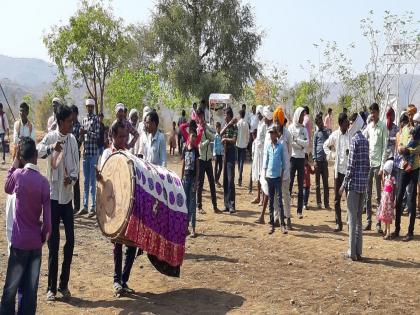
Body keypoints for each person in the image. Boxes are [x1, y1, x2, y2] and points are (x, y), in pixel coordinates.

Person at [1, 137, 51, 315]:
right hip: (35, 245)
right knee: (30, 291)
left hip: (19, 243)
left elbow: (7, 187)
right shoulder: (44, 183)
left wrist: (15, 162)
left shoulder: (17, 176)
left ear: (21, 158)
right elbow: (48, 225)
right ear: (37, 155)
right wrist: (41, 238)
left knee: (11, 288)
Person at [38, 104, 79, 301]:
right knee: (53, 242)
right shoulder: (52, 137)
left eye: (72, 120)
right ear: (61, 122)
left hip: (67, 198)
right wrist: (49, 148)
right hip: (53, 198)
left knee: (70, 240)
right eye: (69, 121)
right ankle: (51, 288)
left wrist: (70, 179)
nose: (72, 123)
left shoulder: (72, 140)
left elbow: (76, 170)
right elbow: (37, 150)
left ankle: (64, 284)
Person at [96, 121, 137, 297]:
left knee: (132, 244)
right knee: (117, 244)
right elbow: (102, 180)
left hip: (128, 205)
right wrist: (100, 177)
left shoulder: (129, 155)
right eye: (120, 136)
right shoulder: (106, 154)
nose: (123, 140)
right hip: (114, 206)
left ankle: (124, 279)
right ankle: (116, 281)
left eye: (125, 136)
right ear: (112, 136)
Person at [339, 113, 369, 261]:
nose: (349, 125)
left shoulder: (354, 141)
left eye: (351, 123)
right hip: (363, 186)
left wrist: (343, 185)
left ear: (355, 124)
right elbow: (367, 165)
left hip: (353, 186)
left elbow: (350, 167)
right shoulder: (365, 141)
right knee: (358, 220)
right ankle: (358, 251)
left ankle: (352, 253)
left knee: (352, 220)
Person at [393, 104, 419, 241]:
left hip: (414, 168)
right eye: (409, 114)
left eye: (412, 114)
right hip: (403, 167)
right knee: (398, 198)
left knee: (411, 200)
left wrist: (408, 151)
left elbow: (418, 148)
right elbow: (399, 146)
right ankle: (397, 229)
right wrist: (402, 151)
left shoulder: (418, 129)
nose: (410, 116)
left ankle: (410, 232)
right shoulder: (403, 130)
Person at [362, 103, 389, 233]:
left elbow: (385, 148)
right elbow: (362, 137)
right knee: (367, 195)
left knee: (378, 196)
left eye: (374, 112)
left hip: (378, 165)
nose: (372, 115)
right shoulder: (369, 127)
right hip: (369, 164)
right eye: (371, 112)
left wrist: (382, 167)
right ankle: (368, 221)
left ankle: (378, 223)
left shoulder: (383, 127)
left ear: (378, 112)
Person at [323, 113, 350, 232]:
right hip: (338, 172)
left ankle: (349, 223)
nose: (348, 124)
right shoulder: (334, 135)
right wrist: (332, 155)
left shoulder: (350, 135)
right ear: (340, 124)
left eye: (348, 122)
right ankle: (339, 223)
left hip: (348, 172)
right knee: (336, 199)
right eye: (345, 123)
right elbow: (325, 145)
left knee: (350, 199)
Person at [77, 99, 100, 218]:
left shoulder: (96, 119)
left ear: (93, 107)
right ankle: (85, 206)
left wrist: (87, 132)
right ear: (86, 107)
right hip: (85, 153)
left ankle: (93, 208)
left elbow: (97, 136)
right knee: (85, 181)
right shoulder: (84, 120)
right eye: (88, 106)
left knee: (92, 181)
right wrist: (81, 135)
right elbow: (81, 140)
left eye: (91, 106)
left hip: (93, 153)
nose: (90, 108)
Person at [195, 108, 220, 214]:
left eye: (202, 117)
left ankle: (215, 206)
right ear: (197, 118)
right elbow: (200, 146)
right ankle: (199, 206)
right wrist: (207, 141)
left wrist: (208, 130)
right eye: (199, 117)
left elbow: (214, 138)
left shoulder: (206, 128)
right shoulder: (196, 130)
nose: (201, 119)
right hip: (200, 159)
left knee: (212, 183)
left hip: (208, 159)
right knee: (200, 184)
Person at [263, 126, 286, 234]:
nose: (272, 135)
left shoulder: (280, 147)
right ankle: (271, 224)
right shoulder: (268, 146)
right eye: (270, 133)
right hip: (269, 177)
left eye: (273, 133)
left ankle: (283, 225)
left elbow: (284, 164)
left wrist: (281, 177)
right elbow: (266, 161)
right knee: (271, 201)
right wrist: (265, 174)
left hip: (277, 177)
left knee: (280, 201)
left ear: (277, 134)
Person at [288, 107, 309, 219]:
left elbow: (306, 143)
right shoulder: (291, 128)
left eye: (303, 115)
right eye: (301, 115)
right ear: (297, 115)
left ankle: (299, 211)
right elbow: (291, 143)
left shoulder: (304, 129)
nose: (302, 117)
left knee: (301, 185)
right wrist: (299, 144)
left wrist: (298, 141)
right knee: (290, 183)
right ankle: (287, 209)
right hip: (293, 158)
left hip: (301, 159)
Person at [181, 128, 200, 237]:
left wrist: (196, 181)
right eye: (192, 138)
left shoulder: (195, 151)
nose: (193, 140)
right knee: (185, 203)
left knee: (192, 205)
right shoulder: (185, 149)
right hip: (186, 179)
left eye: (195, 139)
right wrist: (181, 177)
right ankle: (185, 227)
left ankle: (193, 228)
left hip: (192, 180)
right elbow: (183, 164)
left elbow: (197, 167)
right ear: (189, 138)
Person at [220, 107, 238, 213]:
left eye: (226, 115)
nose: (224, 116)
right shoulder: (225, 125)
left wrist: (226, 139)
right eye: (224, 115)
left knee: (231, 179)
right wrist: (228, 124)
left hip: (231, 153)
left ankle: (232, 205)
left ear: (230, 115)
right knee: (225, 180)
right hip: (224, 154)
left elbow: (234, 140)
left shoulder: (235, 127)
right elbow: (220, 133)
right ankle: (226, 205)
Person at [313, 112, 331, 209]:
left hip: (324, 161)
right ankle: (318, 202)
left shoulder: (327, 132)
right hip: (318, 161)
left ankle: (326, 203)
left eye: (320, 122)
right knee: (317, 184)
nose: (319, 124)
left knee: (325, 184)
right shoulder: (316, 133)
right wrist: (314, 160)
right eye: (318, 123)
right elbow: (314, 147)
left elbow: (330, 143)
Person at [251, 105, 266, 204]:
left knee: (263, 176)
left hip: (263, 153)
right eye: (257, 114)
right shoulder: (259, 124)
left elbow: (265, 139)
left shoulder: (265, 124)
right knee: (258, 174)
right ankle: (258, 196)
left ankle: (263, 198)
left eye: (259, 113)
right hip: (257, 153)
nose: (258, 115)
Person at [377, 160, 395, 240]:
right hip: (384, 201)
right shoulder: (387, 177)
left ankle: (388, 233)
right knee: (384, 217)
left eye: (386, 169)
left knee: (387, 218)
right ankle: (385, 230)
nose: (384, 171)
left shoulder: (392, 178)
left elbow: (393, 191)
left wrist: (393, 200)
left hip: (388, 202)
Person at [71, 105, 81, 214]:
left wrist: (80, 138)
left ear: (76, 114)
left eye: (72, 113)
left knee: (76, 179)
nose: (71, 116)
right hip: (68, 155)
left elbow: (79, 143)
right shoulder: (69, 126)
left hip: (76, 155)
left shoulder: (79, 127)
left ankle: (77, 206)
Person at [236, 109, 250, 186]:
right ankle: (240, 176)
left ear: (240, 115)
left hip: (238, 145)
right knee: (241, 161)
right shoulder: (246, 124)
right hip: (244, 145)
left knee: (238, 161)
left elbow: (236, 134)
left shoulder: (238, 123)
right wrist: (247, 143)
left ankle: (239, 175)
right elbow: (248, 135)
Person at [213, 121, 223, 188]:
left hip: (221, 153)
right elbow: (214, 145)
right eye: (218, 128)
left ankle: (216, 179)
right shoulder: (216, 136)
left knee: (221, 167)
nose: (219, 129)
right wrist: (214, 154)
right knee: (216, 167)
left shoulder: (221, 135)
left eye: (219, 127)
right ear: (216, 128)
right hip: (216, 153)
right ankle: (215, 181)